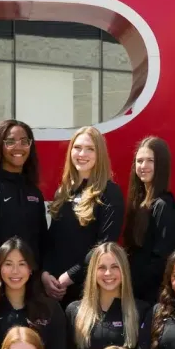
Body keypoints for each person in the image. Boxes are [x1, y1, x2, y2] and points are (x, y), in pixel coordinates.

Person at [42, 126, 125, 305]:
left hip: (87, 291)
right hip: (55, 289)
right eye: (77, 147)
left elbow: (103, 247)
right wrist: (45, 273)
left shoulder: (110, 193)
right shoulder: (63, 192)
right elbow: (51, 240)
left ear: (99, 154)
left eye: (90, 149)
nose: (82, 154)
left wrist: (70, 276)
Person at [65, 242, 149, 349]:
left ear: (124, 270)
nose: (108, 273)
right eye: (102, 267)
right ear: (93, 271)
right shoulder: (74, 311)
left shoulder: (141, 311)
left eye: (115, 267)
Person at [0, 120, 47, 294]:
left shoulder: (34, 192)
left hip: (31, 291)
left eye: (24, 141)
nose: (18, 147)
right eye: (10, 141)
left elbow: (42, 243)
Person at [0, 237, 68, 349]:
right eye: (8, 264)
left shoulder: (50, 308)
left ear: (30, 269)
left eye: (22, 264)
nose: (15, 271)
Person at [124, 136, 175, 304]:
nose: (143, 166)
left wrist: (132, 284)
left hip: (151, 298)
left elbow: (162, 259)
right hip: (134, 294)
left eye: (150, 161)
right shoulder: (138, 203)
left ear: (161, 165)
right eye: (139, 161)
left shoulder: (164, 205)